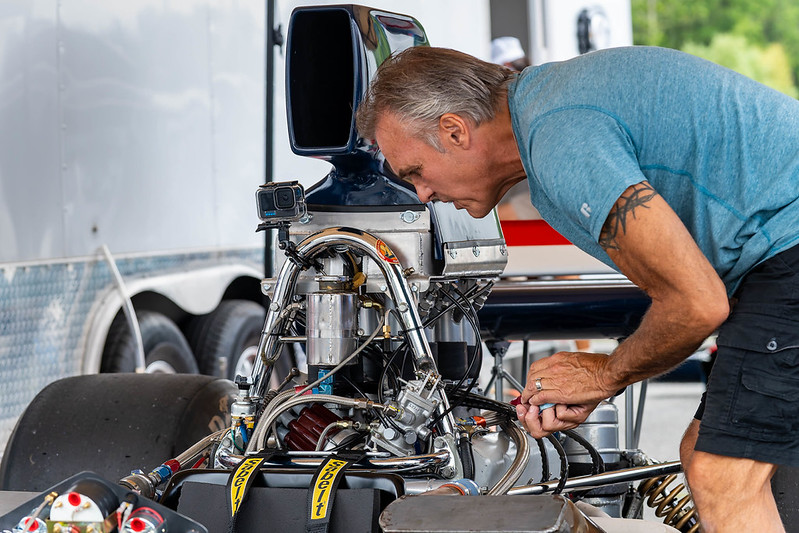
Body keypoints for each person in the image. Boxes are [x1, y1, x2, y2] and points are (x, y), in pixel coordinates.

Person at [355, 45, 799, 532]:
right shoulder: (550, 111)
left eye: (415, 172)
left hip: (788, 251)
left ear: (455, 130)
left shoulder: (558, 138)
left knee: (721, 474)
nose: (422, 194)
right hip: (774, 262)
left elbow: (696, 303)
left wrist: (607, 374)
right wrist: (605, 376)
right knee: (714, 452)